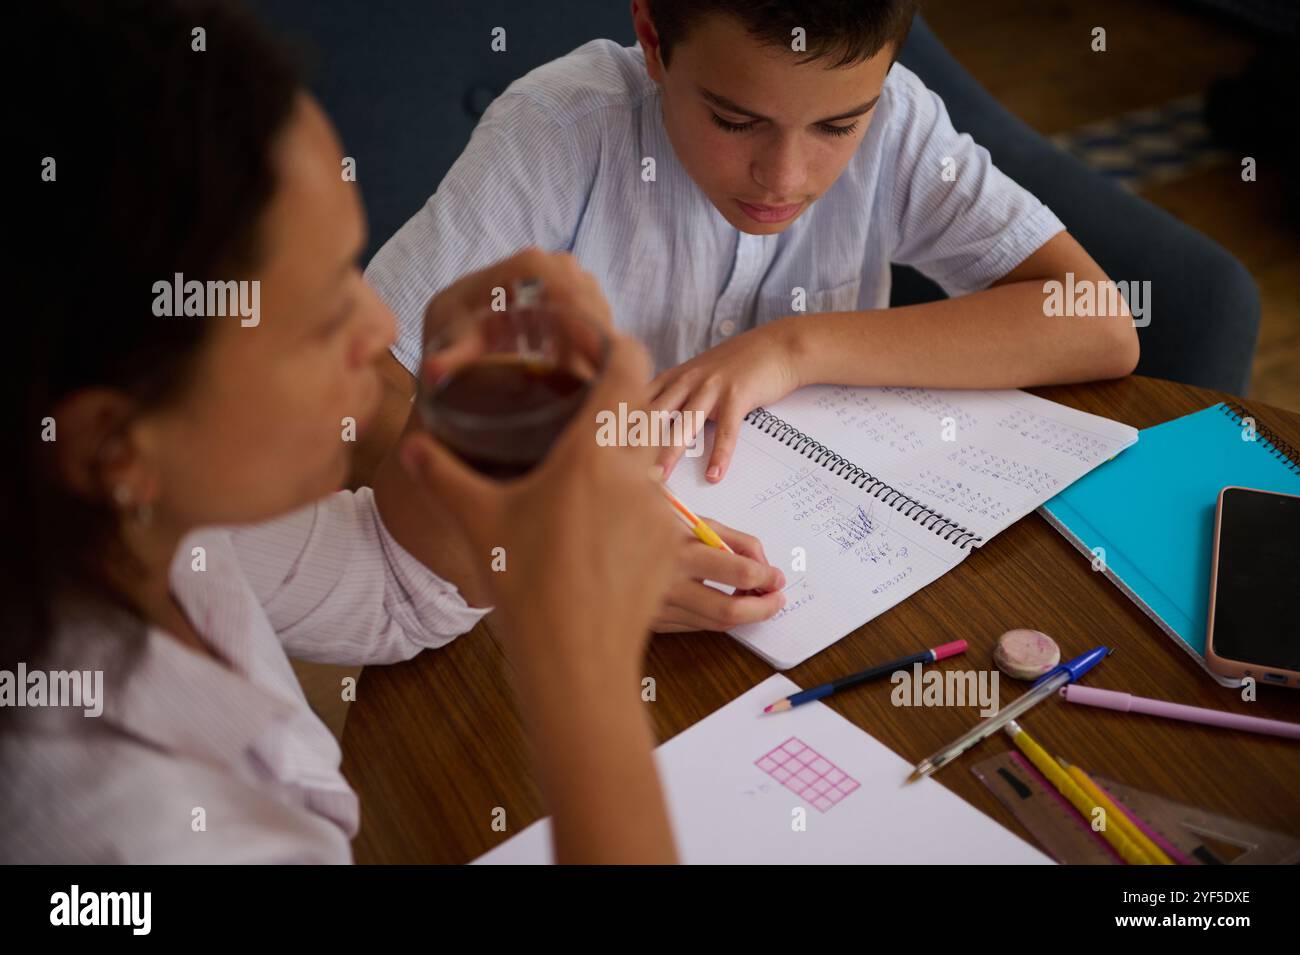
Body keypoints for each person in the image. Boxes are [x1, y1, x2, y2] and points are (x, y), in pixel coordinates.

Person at [2, 0, 678, 864]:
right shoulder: (116, 837)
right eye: (323, 317)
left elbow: (393, 587)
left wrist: (463, 414)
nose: (382, 321)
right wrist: (583, 672)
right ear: (113, 444)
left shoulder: (152, 530)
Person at [360, 0, 1139, 626]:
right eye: (736, 122)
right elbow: (366, 404)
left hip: (818, 591)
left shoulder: (897, 122)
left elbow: (1098, 322)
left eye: (838, 127)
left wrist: (794, 348)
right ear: (653, 39)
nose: (785, 178)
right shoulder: (560, 133)